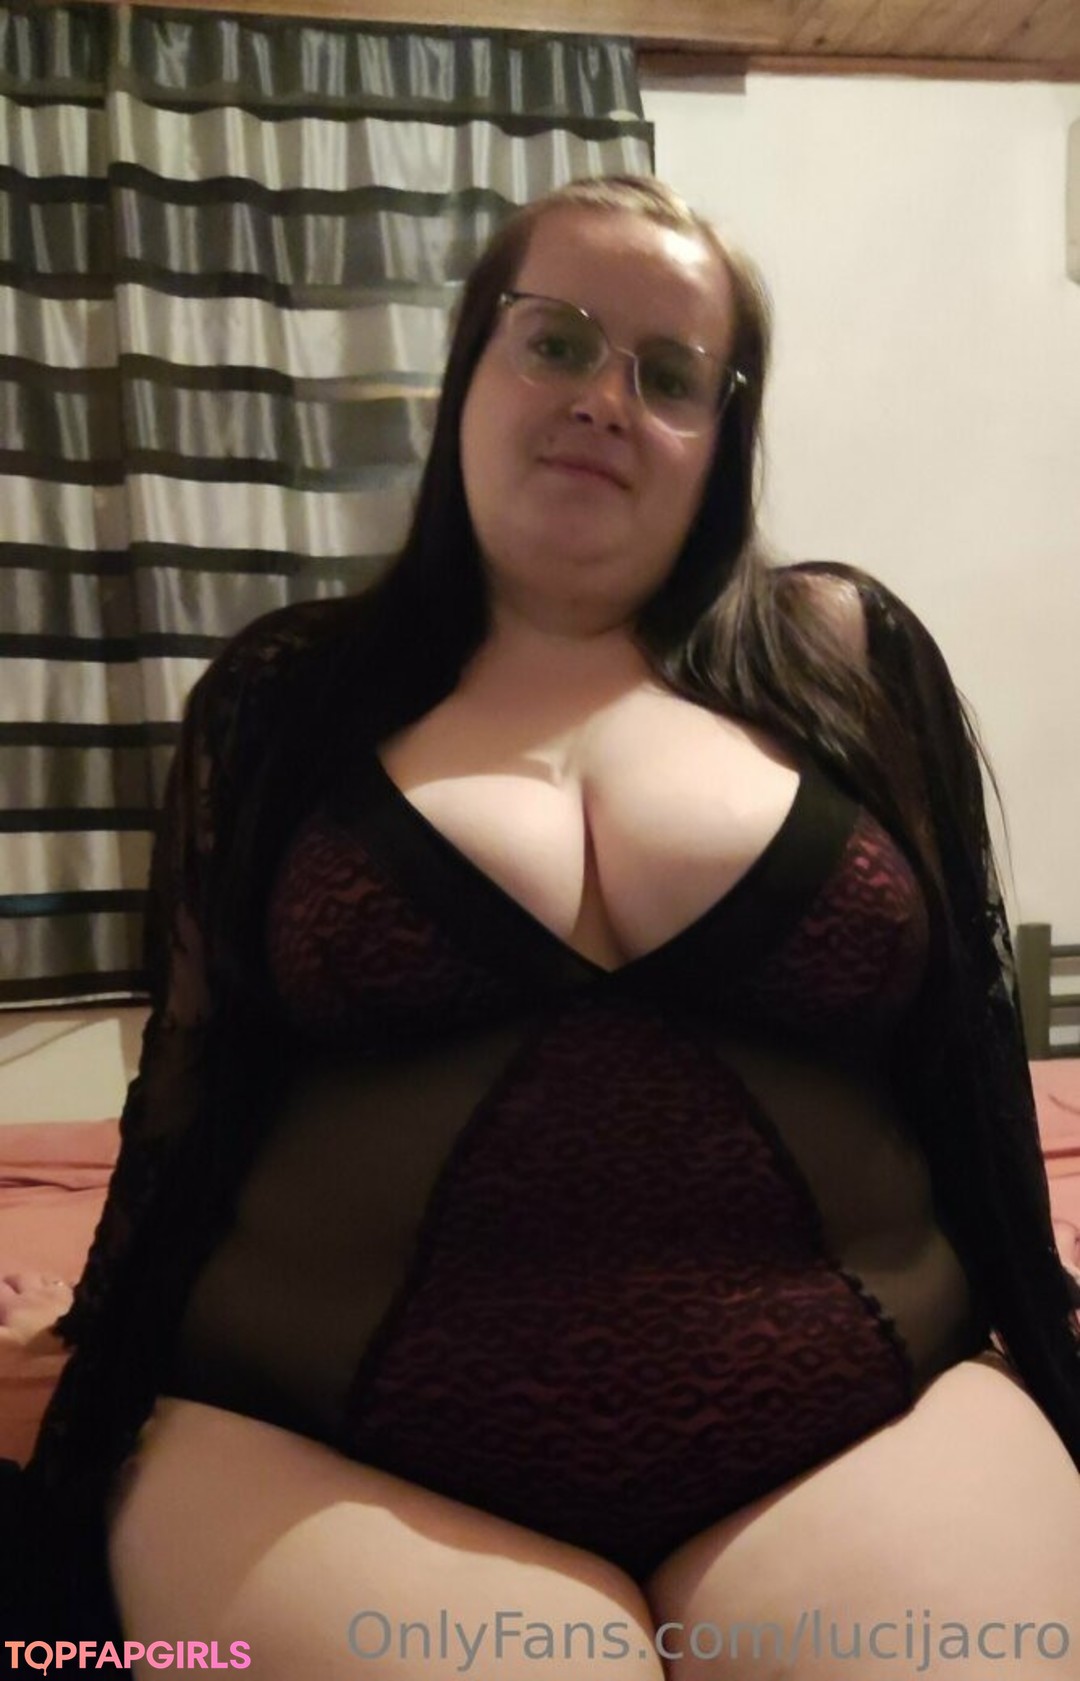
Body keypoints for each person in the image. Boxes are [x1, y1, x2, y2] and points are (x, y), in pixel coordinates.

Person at [11, 174, 1080, 1678]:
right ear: (471, 367)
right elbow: (190, 1093)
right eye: (558, 341)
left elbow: (970, 1060)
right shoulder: (284, 694)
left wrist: (1049, 1337)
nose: (603, 399)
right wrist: (89, 1403)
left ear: (723, 436)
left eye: (670, 374)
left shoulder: (850, 659)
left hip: (869, 1431)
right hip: (316, 1447)